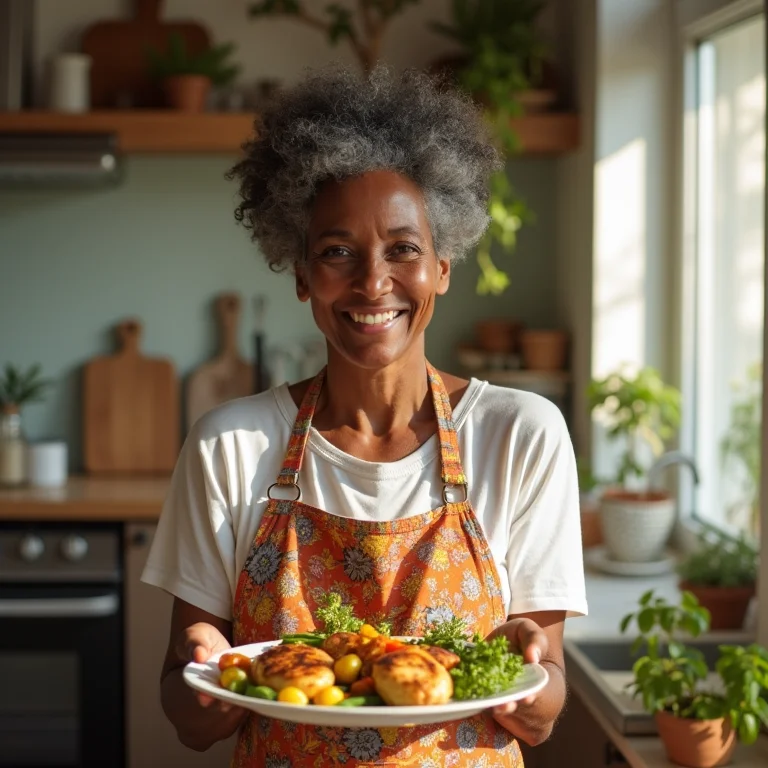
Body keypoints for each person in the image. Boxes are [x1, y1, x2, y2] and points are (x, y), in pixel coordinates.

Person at [143, 64, 587, 767]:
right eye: (336, 252)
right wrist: (201, 683)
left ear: (443, 265)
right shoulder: (227, 445)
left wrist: (532, 681)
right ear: (300, 274)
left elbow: (541, 716)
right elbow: (190, 719)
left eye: (403, 249)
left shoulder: (521, 434)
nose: (372, 282)